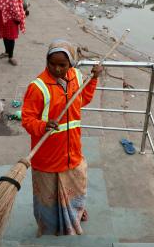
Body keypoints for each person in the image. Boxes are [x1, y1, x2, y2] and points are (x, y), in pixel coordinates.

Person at [21, 40, 103, 236]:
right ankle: (50, 230)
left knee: (77, 186)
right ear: (46, 61)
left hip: (72, 151)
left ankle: (75, 214)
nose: (56, 69)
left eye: (62, 65)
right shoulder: (38, 87)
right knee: (48, 200)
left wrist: (93, 79)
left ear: (71, 65)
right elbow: (27, 119)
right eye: (52, 64)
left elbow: (82, 100)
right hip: (48, 157)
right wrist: (43, 125)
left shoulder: (75, 76)